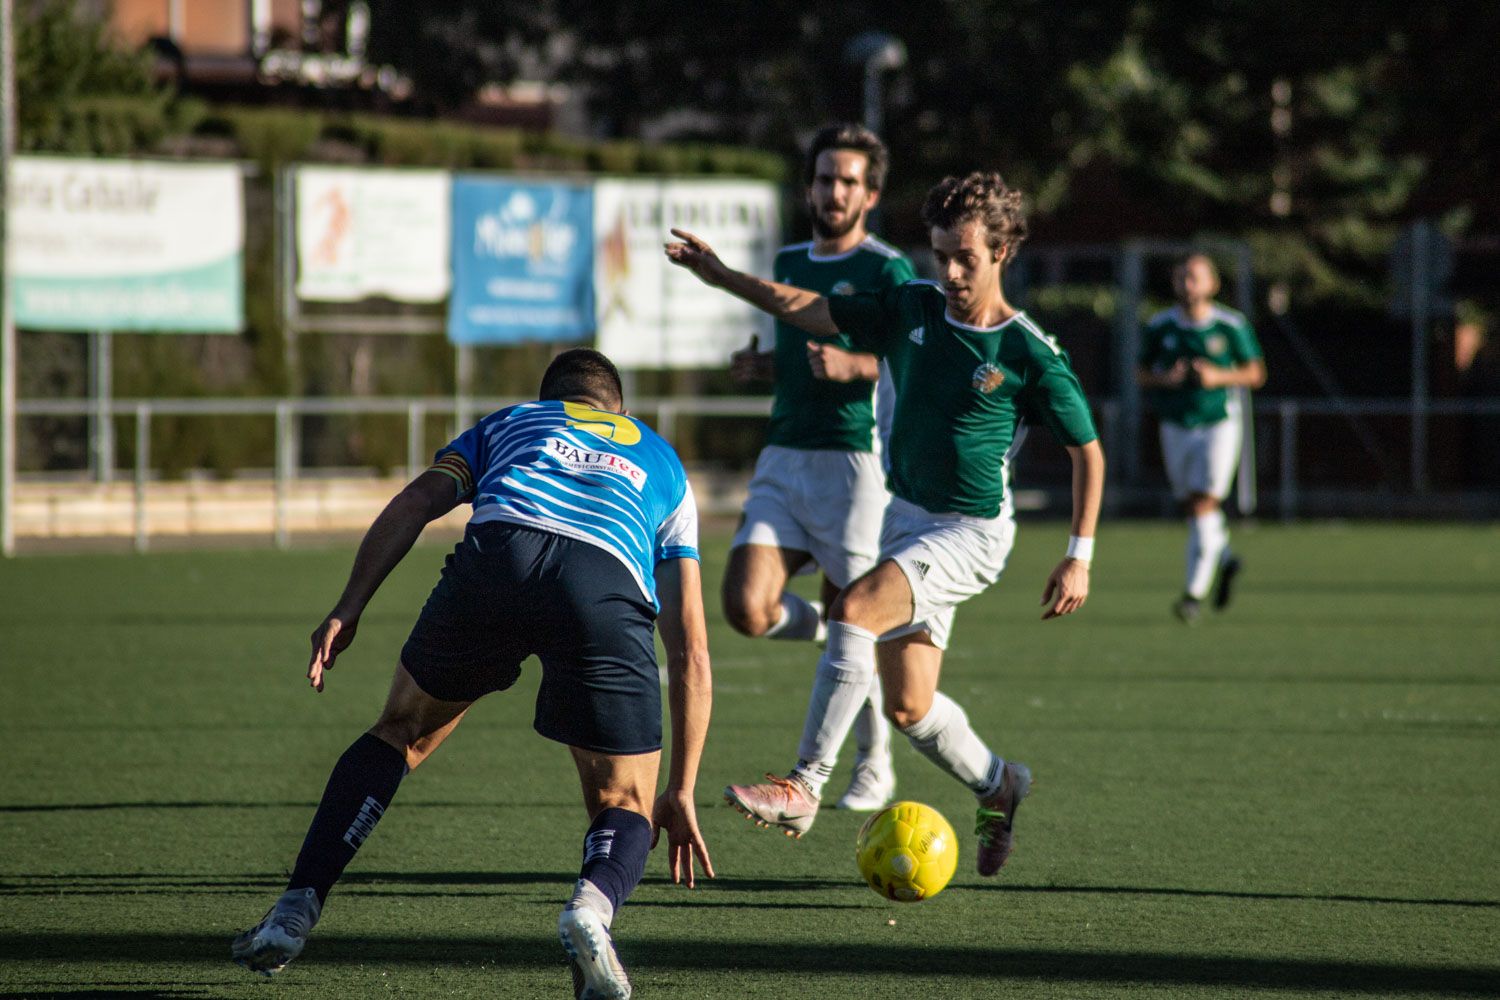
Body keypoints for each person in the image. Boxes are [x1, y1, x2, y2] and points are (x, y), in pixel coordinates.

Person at [231, 348, 714, 1000]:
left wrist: (350, 605)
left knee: (401, 731)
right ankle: (590, 909)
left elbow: (414, 503)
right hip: (604, 581)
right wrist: (681, 787)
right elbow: (691, 650)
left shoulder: (511, 421)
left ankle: (295, 910)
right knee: (625, 798)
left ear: (554, 400)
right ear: (620, 410)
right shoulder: (663, 460)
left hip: (500, 559)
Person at [666, 172, 1104, 874]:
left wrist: (1079, 553)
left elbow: (1088, 450)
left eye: (966, 257)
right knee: (908, 705)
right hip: (907, 519)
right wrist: (722, 277)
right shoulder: (912, 307)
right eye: (941, 255)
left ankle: (803, 785)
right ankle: (999, 783)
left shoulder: (1028, 351)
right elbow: (811, 308)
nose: (952, 271)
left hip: (971, 532)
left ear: (1002, 253)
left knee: (856, 610)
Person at [721, 123, 916, 814]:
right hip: (783, 456)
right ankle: (834, 634)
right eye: (825, 177)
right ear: (809, 186)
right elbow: (795, 353)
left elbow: (905, 359)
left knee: (854, 614)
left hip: (853, 463)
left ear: (871, 193)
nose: (834, 191)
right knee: (745, 606)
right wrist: (763, 367)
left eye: (848, 181)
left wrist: (854, 365)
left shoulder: (888, 271)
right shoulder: (788, 260)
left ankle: (873, 763)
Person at [1137, 254, 1266, 623]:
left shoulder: (1229, 325)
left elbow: (1255, 372)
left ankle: (1193, 594)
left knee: (1204, 503)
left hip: (1219, 423)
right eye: (1181, 277)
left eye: (1194, 277)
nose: (1186, 284)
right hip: (1176, 423)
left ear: (1212, 284)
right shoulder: (1160, 325)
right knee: (1193, 505)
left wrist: (1217, 377)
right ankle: (1225, 558)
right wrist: (1167, 379)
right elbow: (1141, 373)